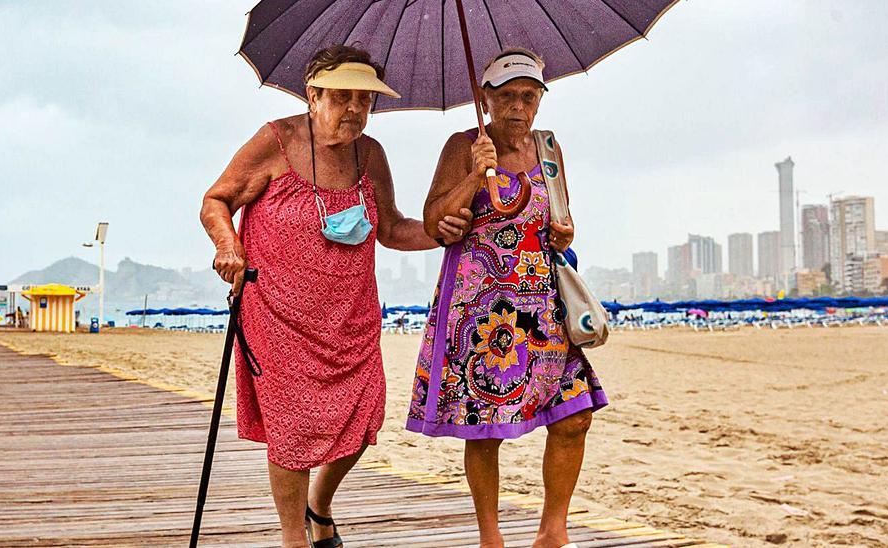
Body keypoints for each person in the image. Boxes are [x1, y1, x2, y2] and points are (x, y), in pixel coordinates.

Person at [200, 45, 472, 548]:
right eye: (342, 97)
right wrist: (227, 245)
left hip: (352, 319)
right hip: (277, 315)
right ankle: (293, 539)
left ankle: (318, 506)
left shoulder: (369, 153)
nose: (354, 109)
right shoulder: (275, 141)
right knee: (293, 430)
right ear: (313, 95)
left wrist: (444, 233)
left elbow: (391, 228)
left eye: (364, 99)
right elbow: (216, 200)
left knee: (367, 416)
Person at [407, 48, 609, 548]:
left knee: (575, 415)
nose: (518, 106)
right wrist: (475, 176)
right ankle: (490, 538)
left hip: (543, 306)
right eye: (506, 96)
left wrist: (564, 232)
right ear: (485, 98)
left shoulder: (548, 149)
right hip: (480, 310)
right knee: (485, 428)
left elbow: (560, 218)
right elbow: (434, 221)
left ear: (540, 99)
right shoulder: (463, 145)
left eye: (529, 95)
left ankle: (552, 532)